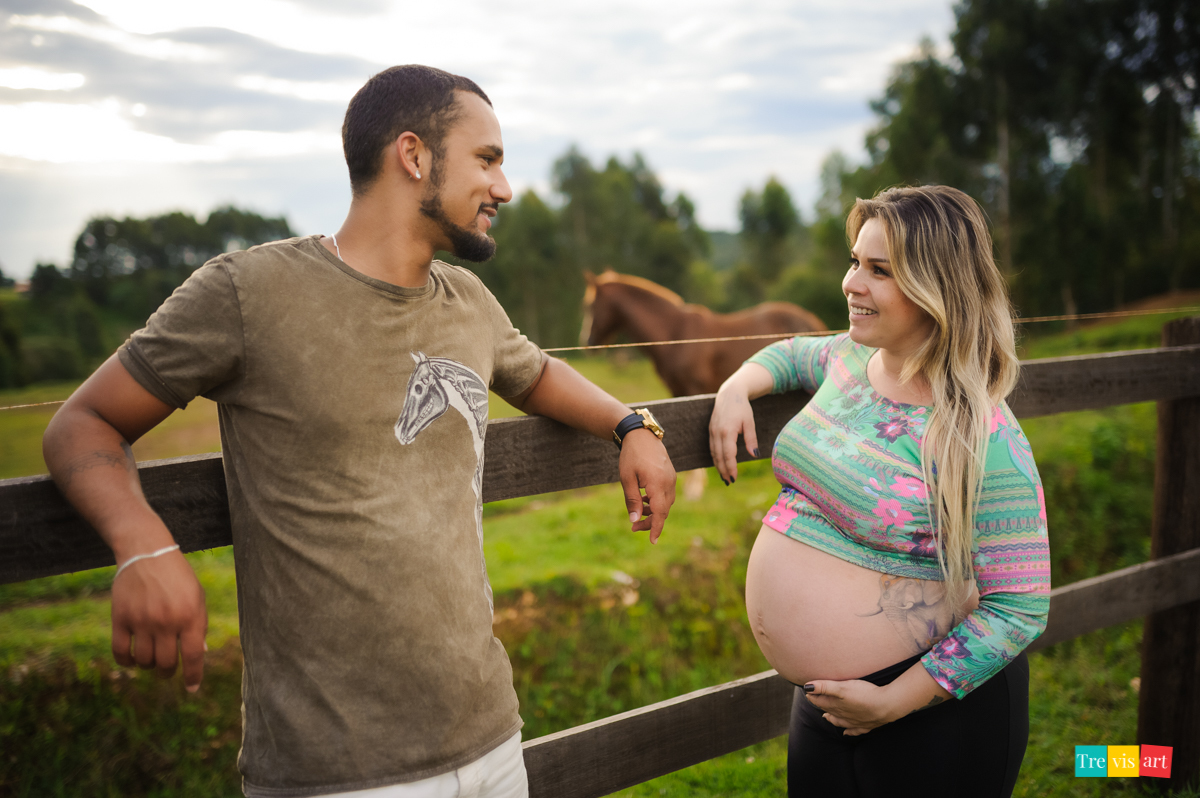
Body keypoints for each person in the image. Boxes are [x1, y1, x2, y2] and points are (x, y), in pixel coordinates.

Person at [42, 65, 676, 798]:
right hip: (335, 771)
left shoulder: (466, 298)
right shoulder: (249, 293)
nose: (503, 188)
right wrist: (142, 546)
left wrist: (631, 425)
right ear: (413, 156)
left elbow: (533, 374)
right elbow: (83, 422)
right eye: (488, 160)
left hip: (493, 739)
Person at [708, 185, 1049, 797]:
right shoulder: (846, 359)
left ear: (935, 288)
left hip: (930, 709)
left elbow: (1019, 608)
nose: (850, 283)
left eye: (879, 271)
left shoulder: (982, 432)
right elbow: (789, 355)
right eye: (854, 262)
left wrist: (893, 701)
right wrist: (738, 386)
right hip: (825, 703)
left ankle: (1149, 762)